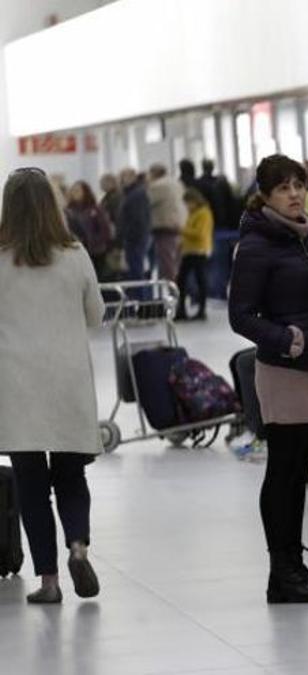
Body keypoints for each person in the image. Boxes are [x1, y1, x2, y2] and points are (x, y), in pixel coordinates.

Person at [229, 154, 308, 605]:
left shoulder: (306, 235)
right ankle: (282, 570)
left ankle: (293, 566)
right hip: (285, 368)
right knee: (283, 471)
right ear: (264, 195)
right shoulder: (257, 244)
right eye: (283, 188)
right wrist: (289, 338)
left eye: (298, 185)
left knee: (299, 470)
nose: (295, 194)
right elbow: (240, 315)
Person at [0, 167, 104, 604]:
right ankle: (77, 546)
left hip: (17, 384)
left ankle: (49, 582)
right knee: (70, 474)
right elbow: (96, 314)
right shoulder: (75, 252)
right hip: (68, 383)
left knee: (31, 485)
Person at [177, 188, 214, 321]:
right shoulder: (193, 213)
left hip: (199, 251)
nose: (186, 206)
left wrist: (182, 230)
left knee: (200, 281)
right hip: (188, 251)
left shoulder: (204, 213)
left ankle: (201, 310)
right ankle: (181, 310)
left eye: (188, 203)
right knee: (181, 281)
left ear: (194, 201)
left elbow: (199, 233)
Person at [146, 163, 186, 284]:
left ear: (153, 174)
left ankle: (171, 292)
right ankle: (180, 291)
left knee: (167, 265)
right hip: (179, 226)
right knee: (176, 262)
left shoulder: (158, 186)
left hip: (164, 228)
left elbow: (147, 202)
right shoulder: (176, 183)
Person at [65, 181, 114, 279]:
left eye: (78, 190)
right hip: (77, 251)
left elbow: (105, 230)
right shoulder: (69, 211)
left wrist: (95, 242)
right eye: (73, 190)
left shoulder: (95, 209)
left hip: (96, 252)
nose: (74, 193)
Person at [116, 168, 151, 284]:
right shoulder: (131, 194)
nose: (120, 181)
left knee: (137, 271)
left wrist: (129, 236)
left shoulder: (136, 195)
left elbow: (138, 219)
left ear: (132, 178)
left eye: (123, 177)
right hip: (135, 238)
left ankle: (141, 299)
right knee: (135, 271)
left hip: (135, 239)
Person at [196, 159, 240, 231]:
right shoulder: (220, 182)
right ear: (212, 168)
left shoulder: (198, 183)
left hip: (205, 220)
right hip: (222, 221)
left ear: (202, 168)